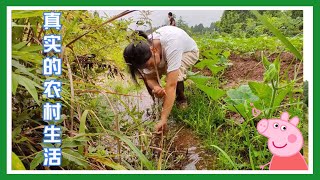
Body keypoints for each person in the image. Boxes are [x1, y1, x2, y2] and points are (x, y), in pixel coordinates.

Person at [123, 26, 199, 133]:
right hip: (162, 56)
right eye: (144, 67)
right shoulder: (144, 52)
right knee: (149, 75)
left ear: (153, 50)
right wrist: (156, 87)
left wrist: (163, 119)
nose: (148, 68)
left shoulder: (172, 44)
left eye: (148, 65)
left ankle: (181, 100)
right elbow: (149, 77)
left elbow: (171, 85)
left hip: (188, 52)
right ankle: (159, 102)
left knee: (173, 74)